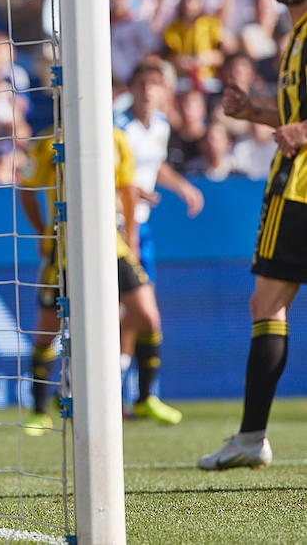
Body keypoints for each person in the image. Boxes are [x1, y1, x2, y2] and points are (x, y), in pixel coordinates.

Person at [199, 0, 307, 470]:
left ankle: (250, 438)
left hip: (301, 189)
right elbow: (292, 118)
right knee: (267, 304)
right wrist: (257, 113)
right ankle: (249, 438)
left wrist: (302, 131)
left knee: (268, 304)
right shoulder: (295, 39)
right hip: (293, 182)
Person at [18, 126, 158, 435]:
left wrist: (131, 236)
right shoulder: (47, 142)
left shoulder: (115, 138)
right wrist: (43, 229)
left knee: (147, 316)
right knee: (47, 330)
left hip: (113, 247)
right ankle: (39, 411)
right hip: (64, 251)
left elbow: (128, 188)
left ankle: (146, 398)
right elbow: (26, 188)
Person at [116, 61, 203, 423]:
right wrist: (133, 192)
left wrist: (182, 186)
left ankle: (125, 392)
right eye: (142, 82)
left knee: (132, 315)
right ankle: (136, 394)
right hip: (117, 227)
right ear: (132, 86)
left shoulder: (161, 126)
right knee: (135, 312)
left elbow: (156, 166)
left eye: (155, 83)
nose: (148, 90)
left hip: (141, 227)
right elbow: (106, 171)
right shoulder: (117, 125)